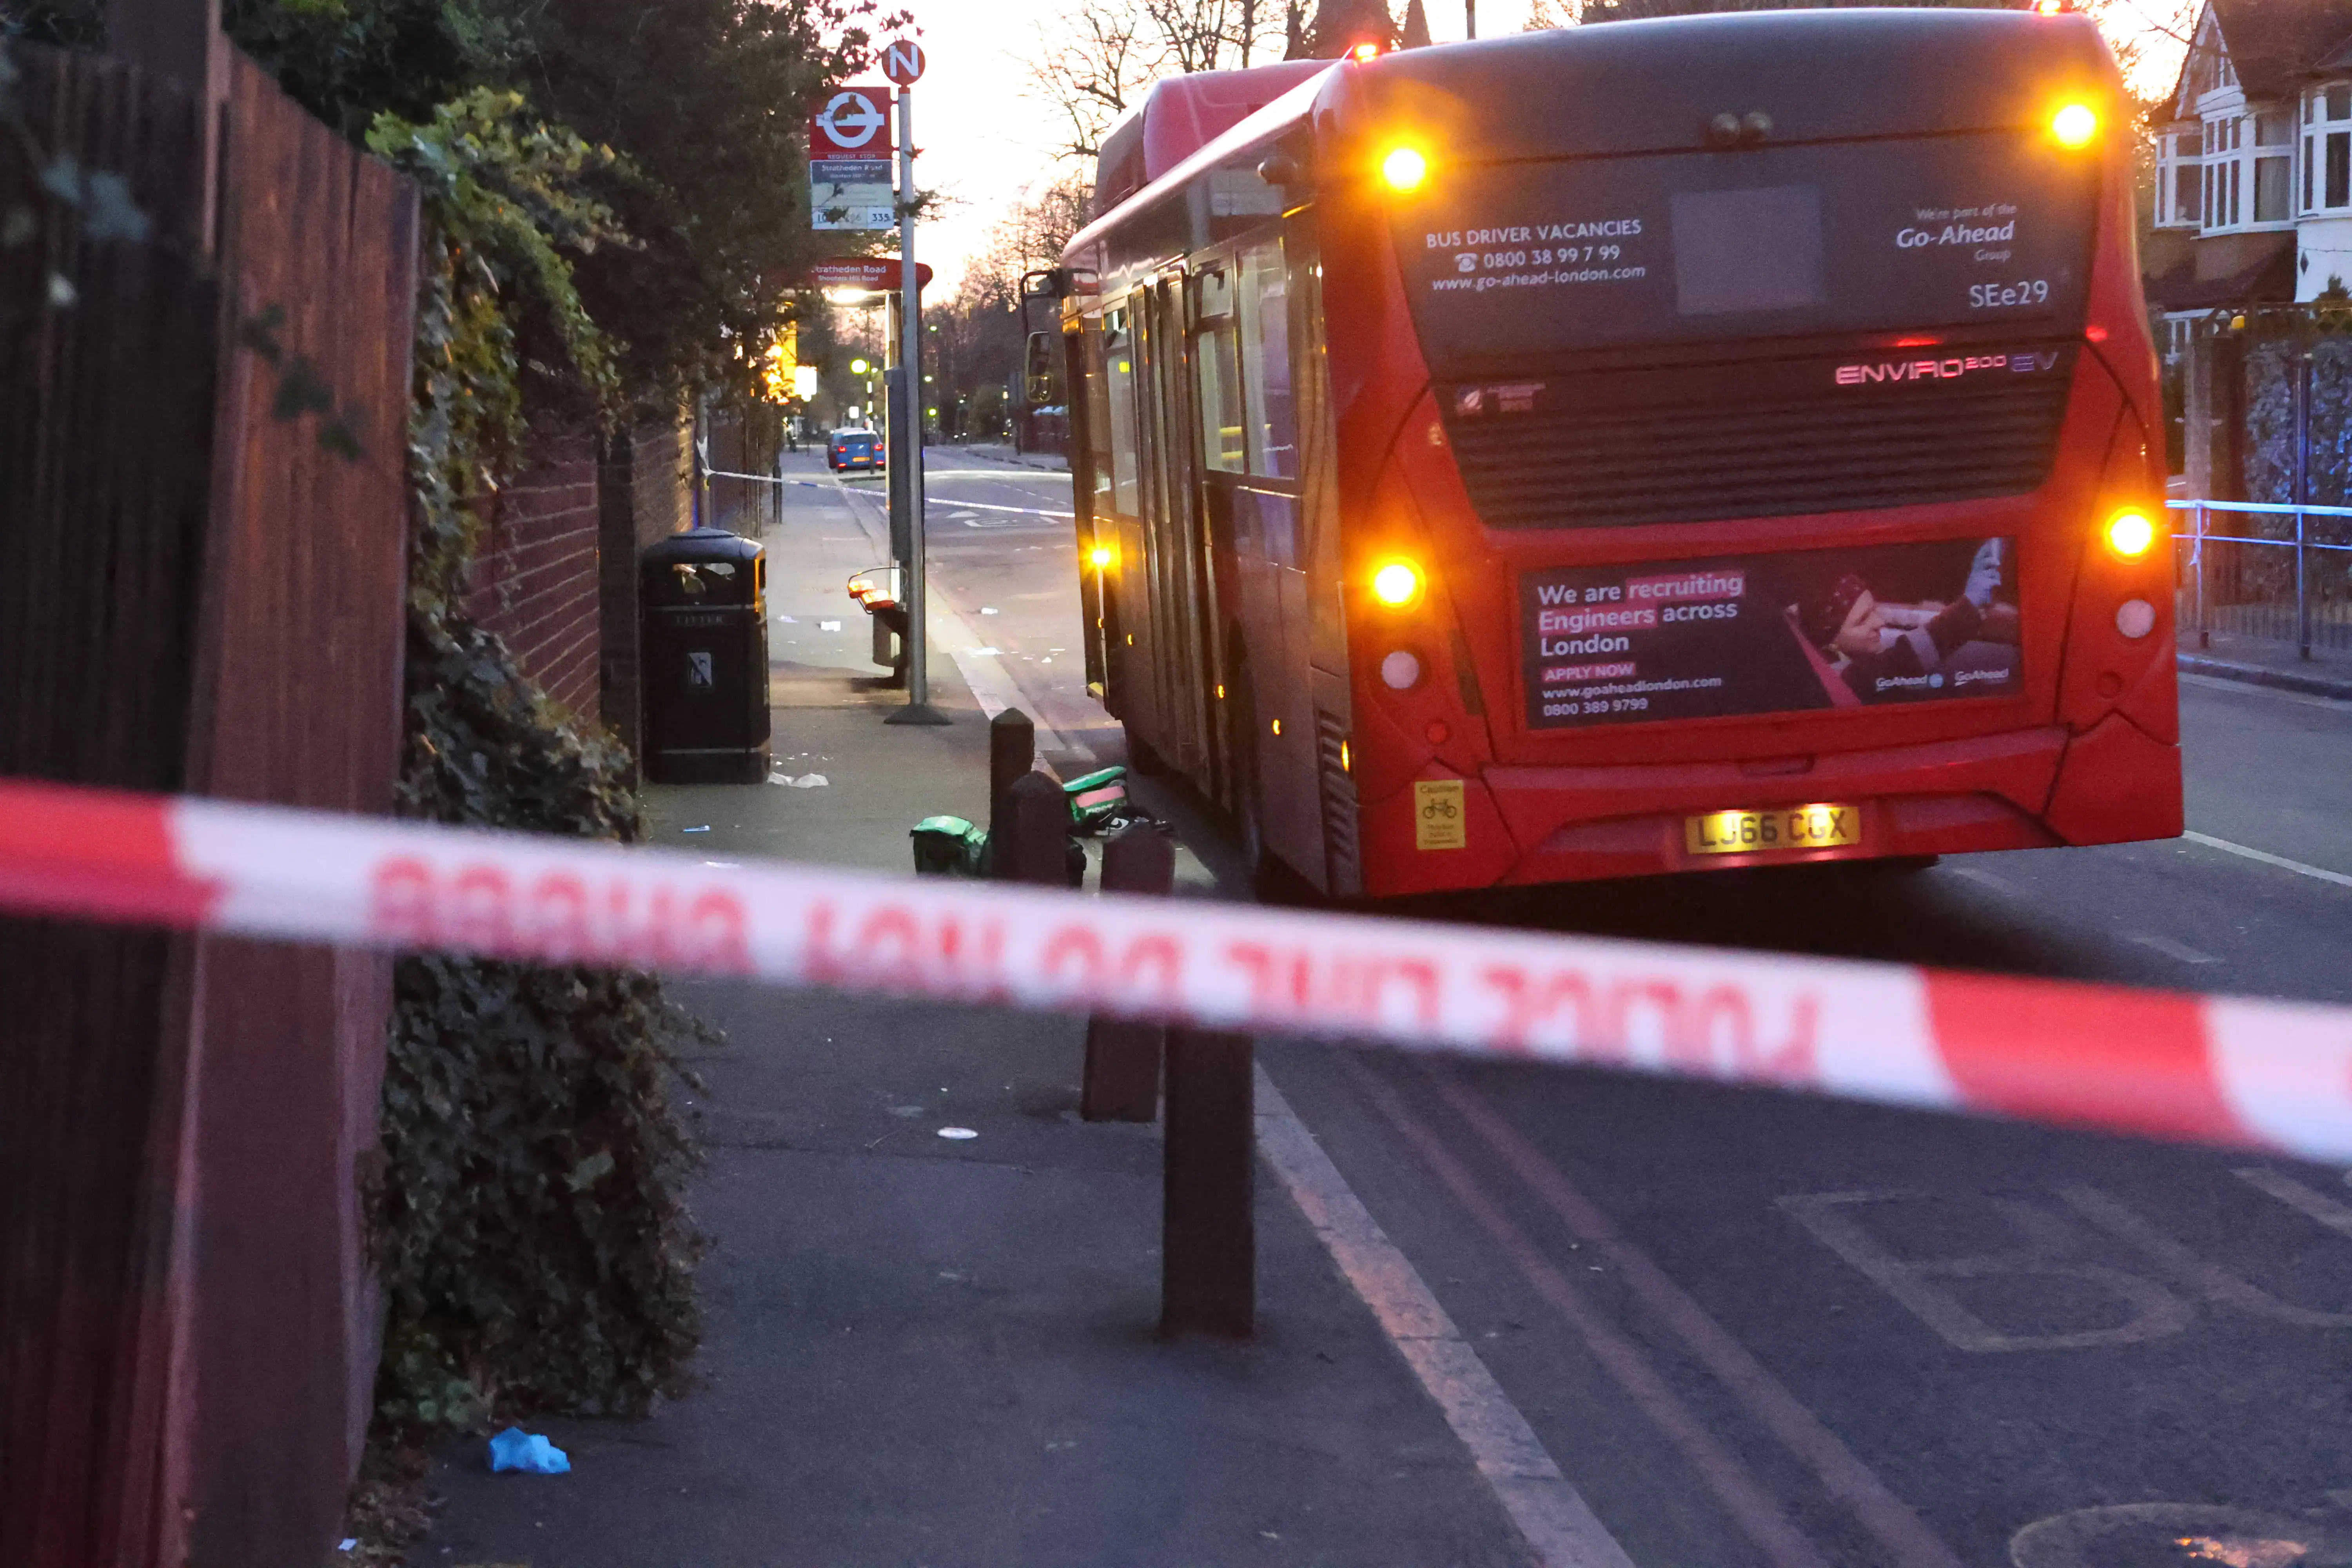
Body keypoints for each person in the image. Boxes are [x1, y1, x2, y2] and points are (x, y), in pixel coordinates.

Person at [1794, 541, 2004, 703]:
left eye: (1874, 611)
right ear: (1830, 643)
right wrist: (1970, 605)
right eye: (1862, 621)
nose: (1879, 623)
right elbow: (1901, 659)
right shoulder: (1837, 681)